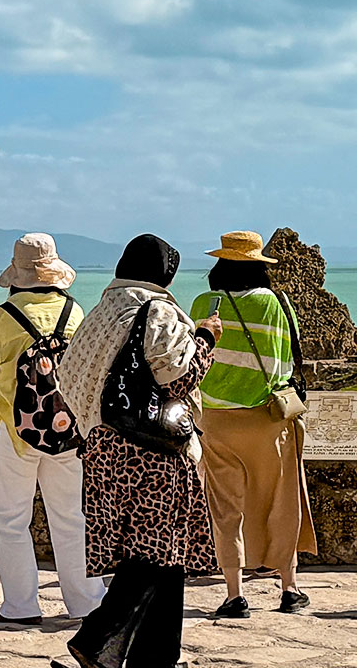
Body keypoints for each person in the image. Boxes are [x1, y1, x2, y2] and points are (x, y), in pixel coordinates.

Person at [58, 234, 220, 668]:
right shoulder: (159, 311)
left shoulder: (99, 312)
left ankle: (155, 658)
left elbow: (68, 382)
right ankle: (95, 638)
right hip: (151, 452)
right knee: (154, 553)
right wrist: (205, 339)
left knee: (162, 560)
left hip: (103, 450)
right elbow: (177, 380)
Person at [186, 231, 318, 618]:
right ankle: (289, 588)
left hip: (217, 421)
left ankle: (233, 595)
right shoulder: (275, 303)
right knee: (281, 501)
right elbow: (288, 362)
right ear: (259, 265)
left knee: (226, 509)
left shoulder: (203, 303)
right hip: (268, 420)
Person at [0, 233, 103, 625]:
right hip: (69, 431)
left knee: (12, 518)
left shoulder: (6, 315)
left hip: (18, 430)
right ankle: (86, 602)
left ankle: (20, 605)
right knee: (71, 516)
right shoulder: (75, 312)